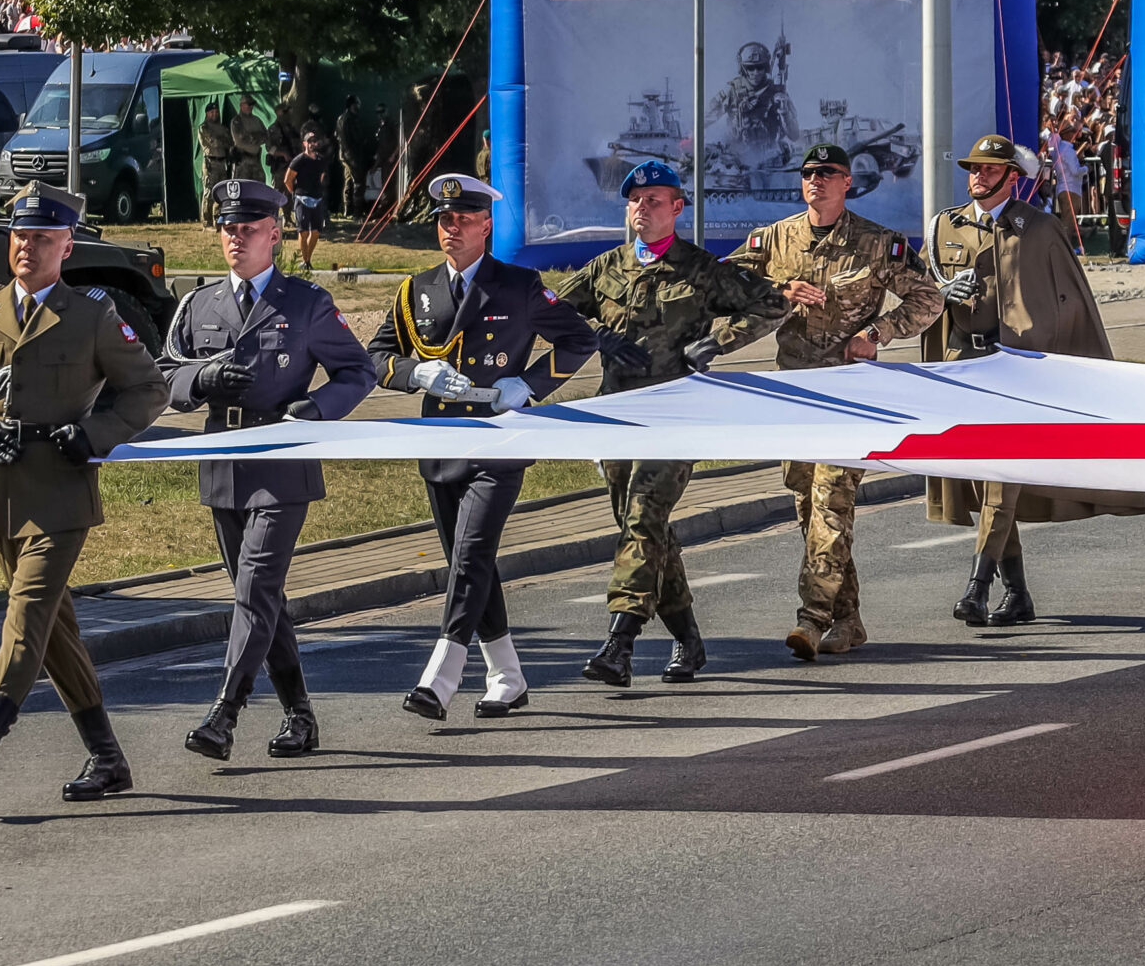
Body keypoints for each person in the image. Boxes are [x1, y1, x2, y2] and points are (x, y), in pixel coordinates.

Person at [0, 182, 170, 799]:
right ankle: (108, 759)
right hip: (0, 491)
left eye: (43, 238)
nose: (28, 246)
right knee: (54, 631)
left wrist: (95, 434)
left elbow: (149, 390)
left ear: (67, 246)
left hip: (62, 489)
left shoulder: (92, 316)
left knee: (27, 612)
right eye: (20, 236)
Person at [160, 179, 376, 761]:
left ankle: (224, 712)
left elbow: (359, 371)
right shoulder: (199, 303)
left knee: (255, 588)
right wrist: (201, 379)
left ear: (275, 234)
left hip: (281, 461)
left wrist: (315, 410)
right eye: (228, 229)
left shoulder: (304, 302)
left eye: (248, 229)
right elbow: (163, 373)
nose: (236, 238)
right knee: (260, 596)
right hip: (223, 462)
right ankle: (300, 715)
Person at [368, 174, 597, 722]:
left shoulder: (517, 285)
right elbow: (376, 356)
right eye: (444, 220)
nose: (452, 228)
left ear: (486, 225)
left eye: (464, 219)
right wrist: (415, 373)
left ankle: (440, 678)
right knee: (470, 562)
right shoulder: (416, 289)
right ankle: (507, 678)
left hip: (498, 441)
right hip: (441, 441)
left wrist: (530, 385)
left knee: (470, 556)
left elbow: (579, 338)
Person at [556, 160, 787, 684]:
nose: (643, 208)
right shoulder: (605, 267)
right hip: (617, 416)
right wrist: (595, 336)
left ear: (677, 208)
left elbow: (772, 305)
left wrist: (716, 343)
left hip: (677, 416)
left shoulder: (701, 269)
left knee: (642, 519)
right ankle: (688, 639)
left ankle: (620, 643)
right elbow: (547, 308)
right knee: (645, 527)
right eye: (636, 200)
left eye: (655, 200)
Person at [924, 133, 1145, 625]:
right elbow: (923, 293)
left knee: (1000, 473)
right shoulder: (945, 226)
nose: (978, 176)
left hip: (1018, 371)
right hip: (964, 367)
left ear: (1012, 177)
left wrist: (1065, 369)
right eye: (973, 168)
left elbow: (1072, 305)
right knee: (984, 478)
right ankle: (1019, 593)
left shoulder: (1040, 229)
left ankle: (977, 586)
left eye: (989, 169)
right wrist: (941, 295)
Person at [728, 144, 943, 660]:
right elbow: (723, 283)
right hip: (796, 396)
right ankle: (848, 620)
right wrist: (780, 289)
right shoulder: (773, 239)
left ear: (848, 182)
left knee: (830, 502)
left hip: (850, 398)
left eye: (827, 173)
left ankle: (811, 617)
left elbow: (929, 298)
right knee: (810, 507)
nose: (816, 180)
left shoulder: (877, 243)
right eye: (808, 173)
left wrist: (878, 331)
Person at [714, 40, 799, 163]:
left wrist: (784, 112)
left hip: (771, 157)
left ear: (766, 68)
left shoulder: (777, 91)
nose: (756, 72)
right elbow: (707, 115)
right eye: (750, 68)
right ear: (743, 68)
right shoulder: (732, 91)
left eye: (760, 67)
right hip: (738, 158)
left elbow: (794, 135)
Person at [282, 128, 330, 275]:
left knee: (315, 232)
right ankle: (305, 260)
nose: (312, 144)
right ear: (304, 144)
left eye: (314, 141)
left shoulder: (321, 160)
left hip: (317, 198)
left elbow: (321, 177)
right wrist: (295, 193)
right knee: (303, 232)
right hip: (302, 199)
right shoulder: (299, 160)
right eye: (309, 142)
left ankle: (308, 259)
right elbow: (287, 180)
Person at [198, 100, 235, 225]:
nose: (214, 114)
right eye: (212, 112)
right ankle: (206, 221)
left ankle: (218, 218)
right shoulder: (203, 128)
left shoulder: (222, 128)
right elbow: (214, 142)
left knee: (221, 192)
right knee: (209, 192)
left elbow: (230, 143)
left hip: (222, 162)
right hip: (210, 162)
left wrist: (223, 141)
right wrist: (222, 141)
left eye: (216, 112)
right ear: (207, 113)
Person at [336, 96, 373, 219]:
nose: (358, 107)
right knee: (358, 182)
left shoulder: (341, 118)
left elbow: (337, 136)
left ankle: (347, 210)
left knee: (348, 181)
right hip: (352, 155)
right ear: (352, 105)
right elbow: (354, 138)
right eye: (356, 104)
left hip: (345, 154)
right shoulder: (350, 120)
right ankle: (357, 212)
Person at [229, 97, 270, 186]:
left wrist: (253, 137)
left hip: (256, 160)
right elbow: (240, 140)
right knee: (242, 187)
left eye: (252, 105)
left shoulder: (257, 120)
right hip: (243, 161)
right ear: (241, 106)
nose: (250, 107)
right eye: (248, 104)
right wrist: (256, 136)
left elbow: (266, 136)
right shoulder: (237, 121)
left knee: (259, 186)